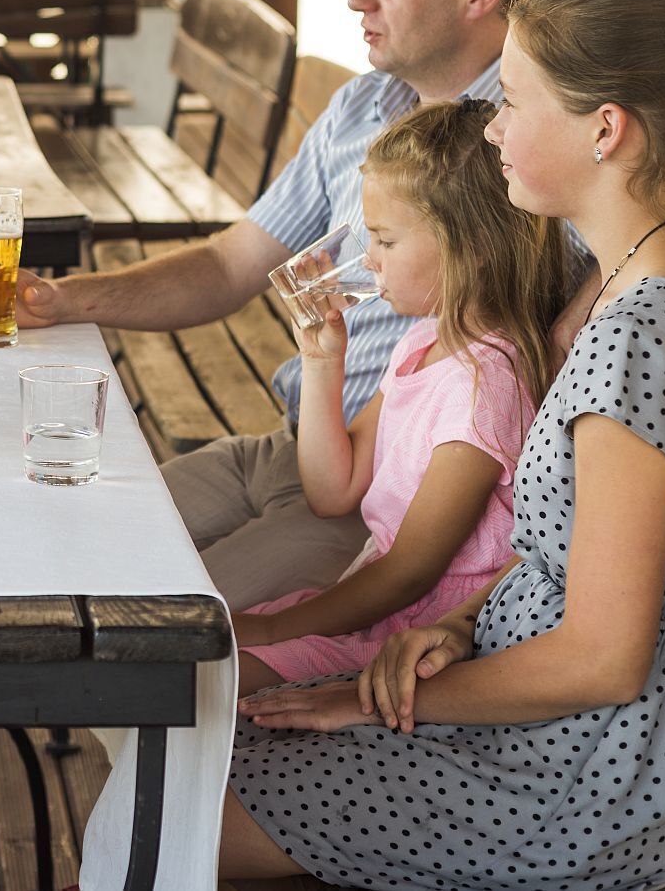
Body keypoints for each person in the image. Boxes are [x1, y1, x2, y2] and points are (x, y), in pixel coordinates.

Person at [223, 0, 665, 889]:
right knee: (188, 760)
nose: (492, 128)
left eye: (513, 102)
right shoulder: (642, 280)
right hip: (590, 730)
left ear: (606, 130)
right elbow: (577, 565)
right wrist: (464, 624)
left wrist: (384, 702)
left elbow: (603, 658)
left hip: (585, 776)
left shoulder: (645, 338)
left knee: (166, 805)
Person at [0, 0, 551, 608]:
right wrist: (65, 299)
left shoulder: (531, 148)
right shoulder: (364, 106)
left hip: (381, 502)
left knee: (151, 635)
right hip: (291, 444)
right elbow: (233, 264)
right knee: (51, 537)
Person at [232, 99, 566, 696]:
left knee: (206, 687)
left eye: (384, 240)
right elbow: (334, 491)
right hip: (371, 608)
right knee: (193, 674)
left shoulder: (486, 386)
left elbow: (409, 574)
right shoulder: (427, 340)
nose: (368, 261)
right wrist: (321, 359)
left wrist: (274, 626)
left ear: (470, 246)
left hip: (418, 640)